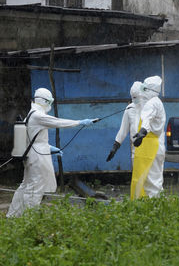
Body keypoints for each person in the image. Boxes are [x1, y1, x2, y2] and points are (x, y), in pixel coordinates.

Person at [7, 88, 97, 217]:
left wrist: (50, 148)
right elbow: (58, 122)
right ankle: (28, 219)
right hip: (37, 157)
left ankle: (13, 215)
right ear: (44, 101)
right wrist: (79, 122)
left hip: (32, 155)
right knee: (35, 189)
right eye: (49, 101)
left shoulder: (31, 114)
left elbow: (34, 140)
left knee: (26, 186)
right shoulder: (38, 115)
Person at [131, 76, 166, 199]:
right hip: (155, 146)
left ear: (150, 90)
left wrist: (142, 132)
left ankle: (154, 209)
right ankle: (157, 207)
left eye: (144, 88)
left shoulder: (151, 103)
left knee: (151, 183)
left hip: (150, 148)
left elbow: (147, 118)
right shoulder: (157, 102)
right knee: (154, 180)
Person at [106, 81, 145, 162]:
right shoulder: (129, 109)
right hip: (135, 149)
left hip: (148, 148)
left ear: (141, 94)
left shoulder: (149, 107)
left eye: (136, 97)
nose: (134, 99)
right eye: (132, 97)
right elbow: (123, 130)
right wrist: (115, 147)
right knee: (137, 174)